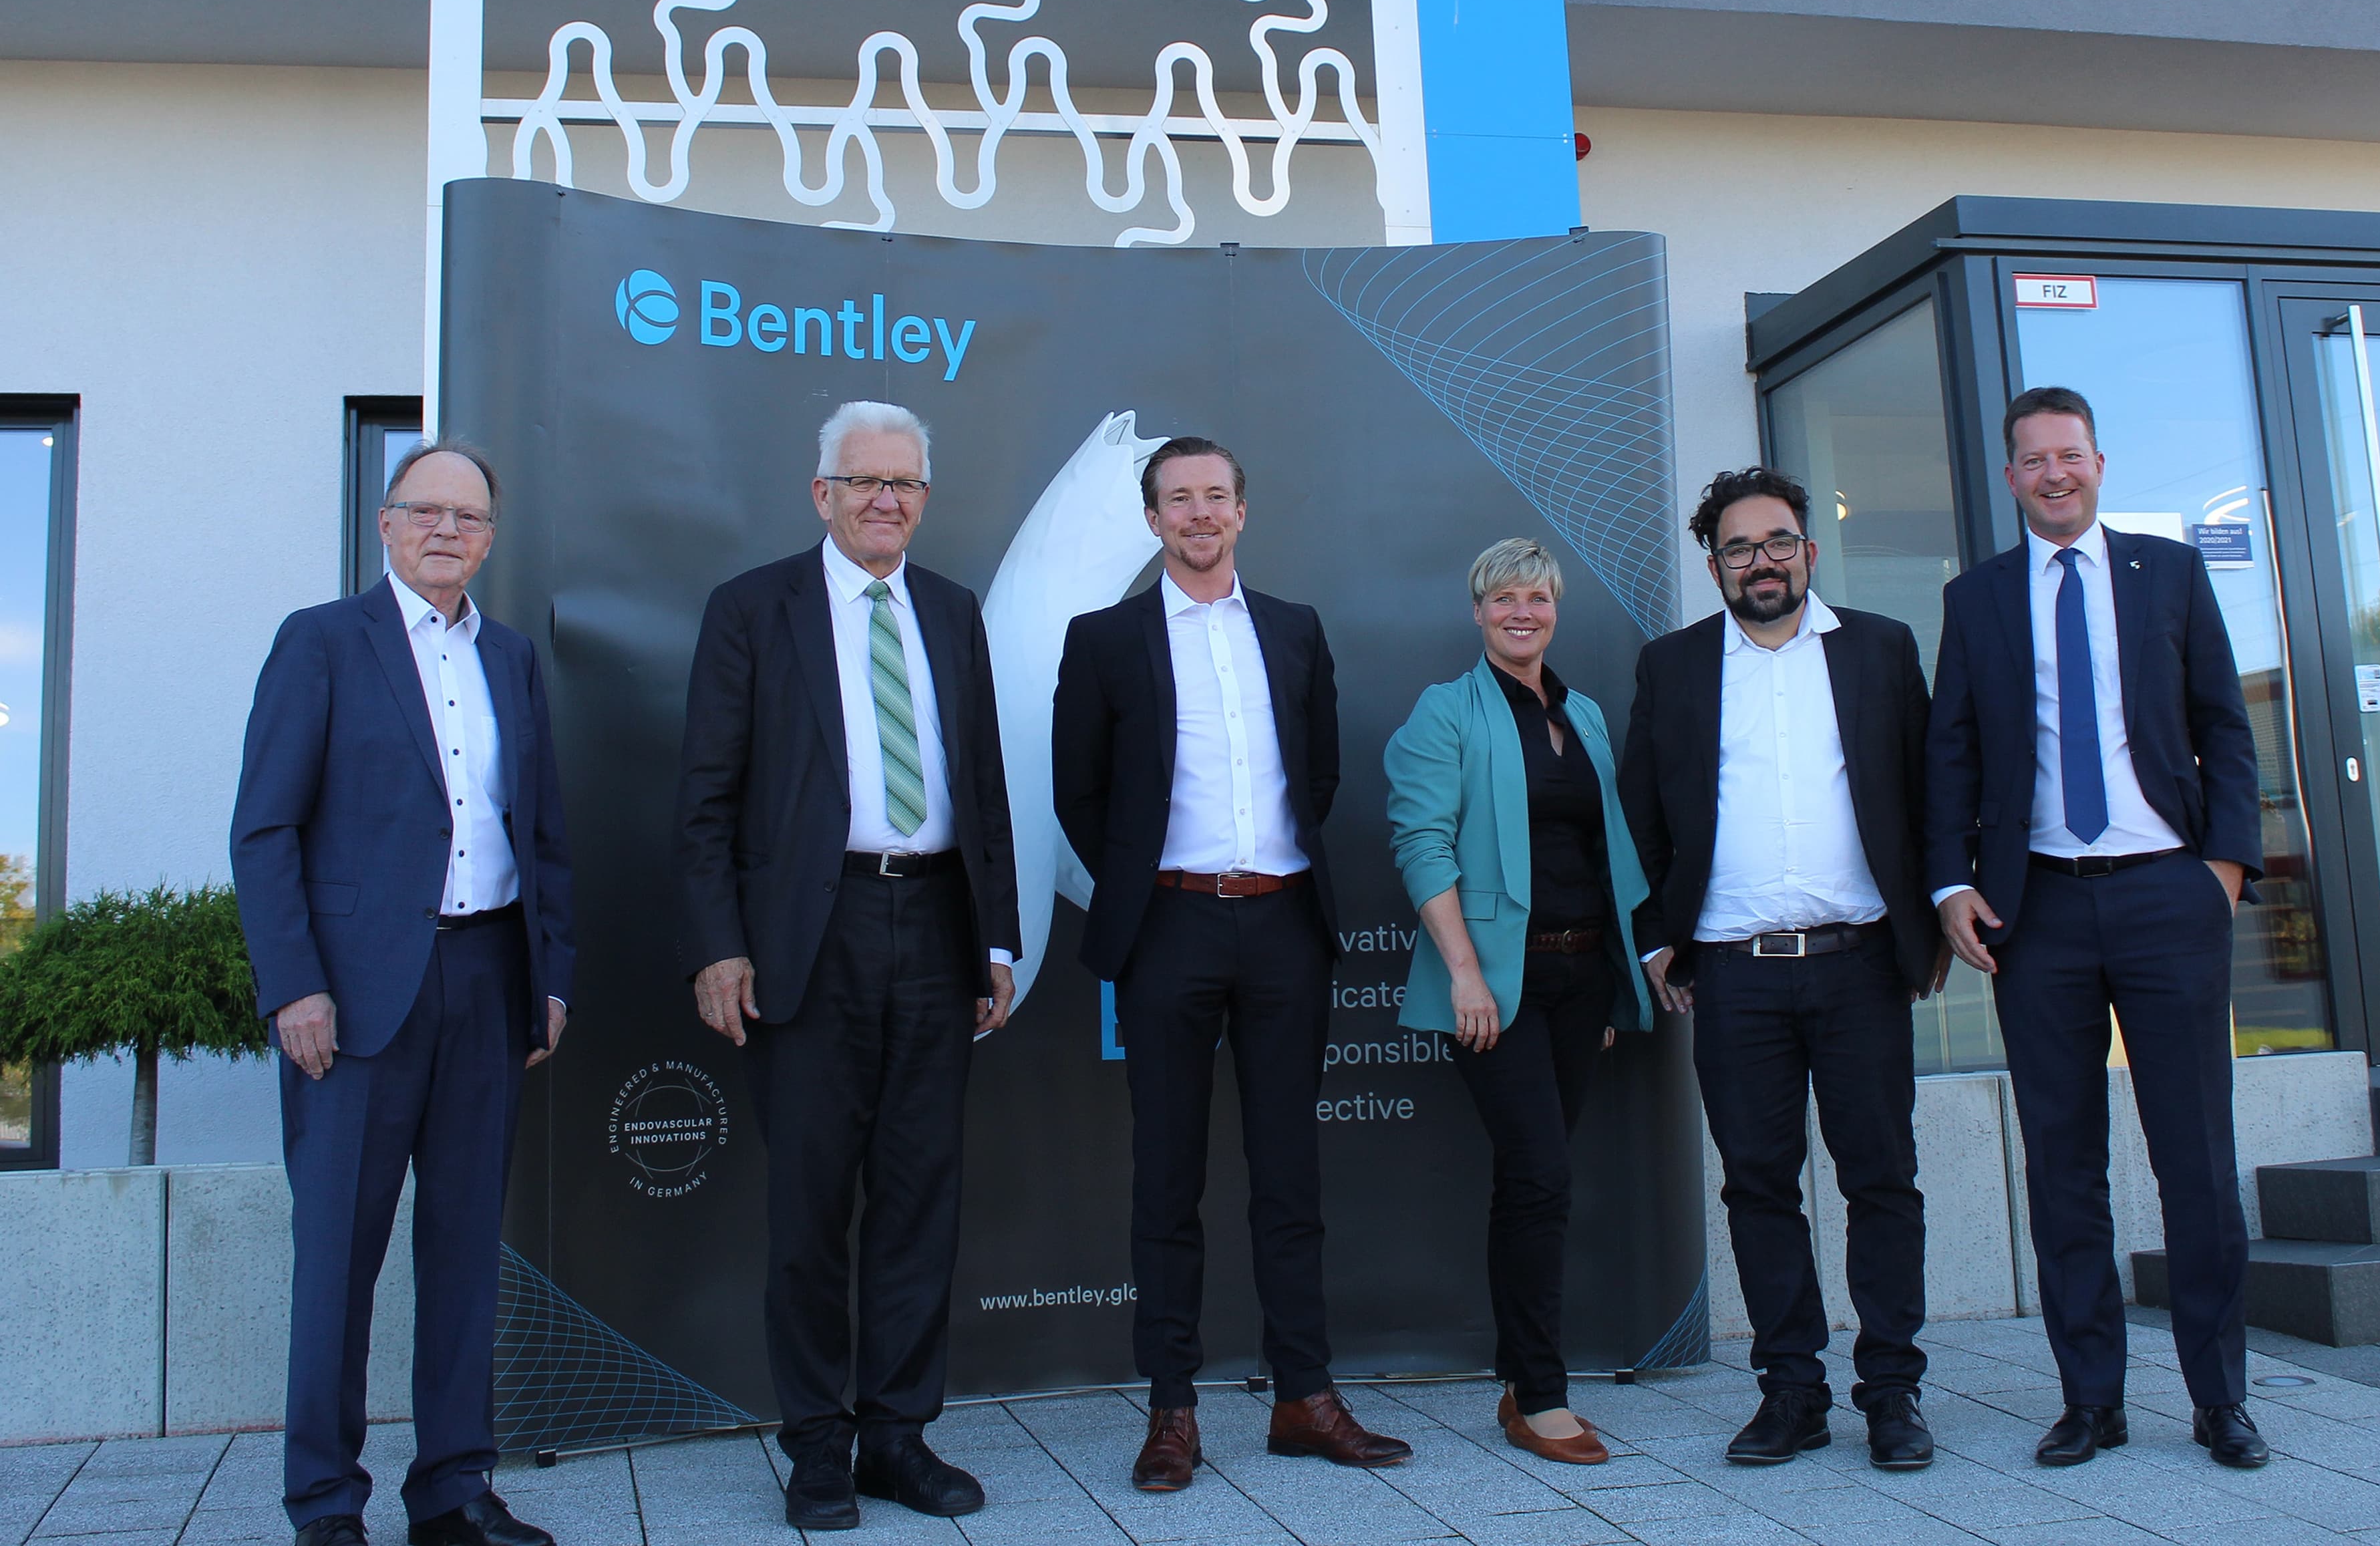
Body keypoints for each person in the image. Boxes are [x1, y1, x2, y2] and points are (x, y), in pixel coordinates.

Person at [673, 402, 1021, 1529]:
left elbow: (984, 788)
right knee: (813, 1204)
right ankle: (817, 1446)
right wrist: (721, 945)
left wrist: (997, 934)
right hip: (803, 944)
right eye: (865, 482)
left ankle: (898, 1439)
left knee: (923, 1199)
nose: (887, 501)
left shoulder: (954, 612)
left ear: (925, 497)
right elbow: (705, 802)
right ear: (821, 493)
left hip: (931, 927)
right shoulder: (753, 610)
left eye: (906, 485)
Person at [1053, 434, 1412, 1492]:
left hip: (1286, 925)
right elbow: (1080, 792)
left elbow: (1324, 771)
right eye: (1179, 499)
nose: (1201, 514)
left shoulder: (1295, 631)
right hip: (1167, 929)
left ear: (1243, 512)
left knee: (1289, 1175)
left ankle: (1305, 1397)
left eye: (1217, 496)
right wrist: (1141, 884)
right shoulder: (1106, 639)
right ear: (1153, 518)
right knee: (1166, 1181)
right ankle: (1172, 1414)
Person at [232, 440, 575, 1546]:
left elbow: (546, 835)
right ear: (385, 525)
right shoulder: (323, 643)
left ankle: (454, 1491)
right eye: (424, 510)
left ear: (489, 538)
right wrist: (295, 987)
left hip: (487, 981)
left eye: (469, 518)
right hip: (357, 999)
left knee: (467, 1252)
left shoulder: (511, 658)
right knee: (337, 1258)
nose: (447, 531)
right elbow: (266, 829)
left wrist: (549, 976)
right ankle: (326, 1504)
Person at [1926, 388, 2268, 1471]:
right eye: (2034, 461)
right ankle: (2092, 1399)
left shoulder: (2167, 573)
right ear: (2012, 475)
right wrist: (1949, 888)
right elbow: (1953, 755)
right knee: (2063, 1160)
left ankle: (2221, 1401)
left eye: (2069, 456)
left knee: (2197, 1161)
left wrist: (2220, 869)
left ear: (2100, 463)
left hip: (2169, 891)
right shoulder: (1975, 599)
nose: (2055, 474)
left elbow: (2224, 723)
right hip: (2042, 910)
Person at [1619, 467, 1940, 1473]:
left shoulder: (1881, 649)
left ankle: (1892, 1393)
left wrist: (1926, 930)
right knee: (1758, 1187)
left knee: (1881, 1181)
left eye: (1778, 541)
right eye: (1738, 547)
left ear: (1809, 548)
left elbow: (1930, 794)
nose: (1761, 561)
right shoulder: (1671, 668)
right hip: (1736, 976)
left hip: (1860, 966)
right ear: (1713, 564)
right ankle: (1791, 1393)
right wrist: (1658, 938)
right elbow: (1640, 820)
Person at [1384, 538, 1655, 1467]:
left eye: (1537, 597)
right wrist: (1465, 972)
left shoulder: (1582, 714)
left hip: (1585, 983)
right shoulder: (1445, 712)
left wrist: (1617, 977)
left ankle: (1517, 1377)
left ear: (1554, 608)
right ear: (1478, 611)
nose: (1522, 612)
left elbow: (1608, 850)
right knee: (1540, 1178)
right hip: (1497, 989)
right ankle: (1540, 1395)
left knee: (1533, 1183)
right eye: (1504, 598)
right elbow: (1422, 846)